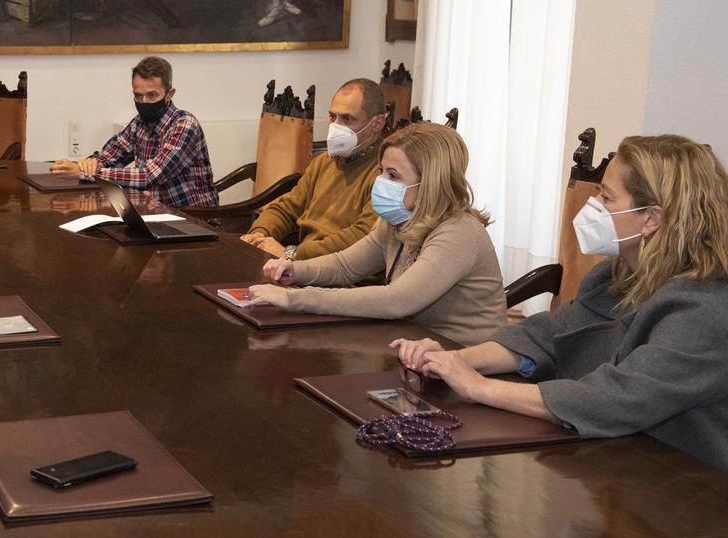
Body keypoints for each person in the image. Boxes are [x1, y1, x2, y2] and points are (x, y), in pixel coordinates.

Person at [392, 134, 728, 472]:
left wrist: (478, 386)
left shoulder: (706, 309)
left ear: (651, 218)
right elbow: (548, 335)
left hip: (694, 491)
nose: (595, 205)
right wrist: (453, 361)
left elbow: (620, 397)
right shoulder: (615, 276)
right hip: (619, 462)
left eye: (606, 196)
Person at [249, 122, 507, 346]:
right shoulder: (398, 219)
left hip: (463, 358)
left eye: (393, 175)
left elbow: (398, 300)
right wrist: (295, 269)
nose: (381, 181)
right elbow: (345, 266)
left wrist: (295, 299)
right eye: (381, 171)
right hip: (415, 346)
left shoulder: (458, 232)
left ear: (430, 183)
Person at [240, 78, 388, 260]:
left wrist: (293, 254)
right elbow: (286, 209)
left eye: (347, 119)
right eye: (333, 117)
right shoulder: (324, 162)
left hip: (345, 277)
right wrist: (260, 234)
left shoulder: (388, 173)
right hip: (304, 267)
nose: (336, 126)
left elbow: (363, 237)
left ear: (377, 124)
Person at [49, 56, 218, 208]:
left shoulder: (185, 125)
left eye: (152, 95)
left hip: (194, 219)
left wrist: (84, 172)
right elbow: (111, 155)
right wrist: (92, 163)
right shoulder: (139, 123)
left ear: (169, 94)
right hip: (155, 213)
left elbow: (148, 177)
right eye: (138, 96)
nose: (144, 102)